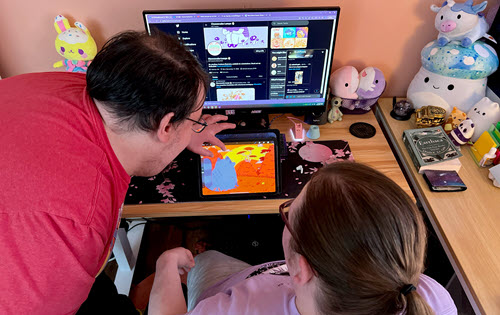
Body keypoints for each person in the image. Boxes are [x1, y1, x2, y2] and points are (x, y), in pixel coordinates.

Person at [0, 30, 234, 314]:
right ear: (166, 126)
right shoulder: (74, 230)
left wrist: (185, 135)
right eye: (194, 120)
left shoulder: (83, 86)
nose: (195, 127)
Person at [149, 162, 458, 315]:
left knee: (206, 259)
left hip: (233, 281)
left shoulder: (240, 307)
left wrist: (166, 265)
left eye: (289, 213)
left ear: (302, 267)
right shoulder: (428, 296)